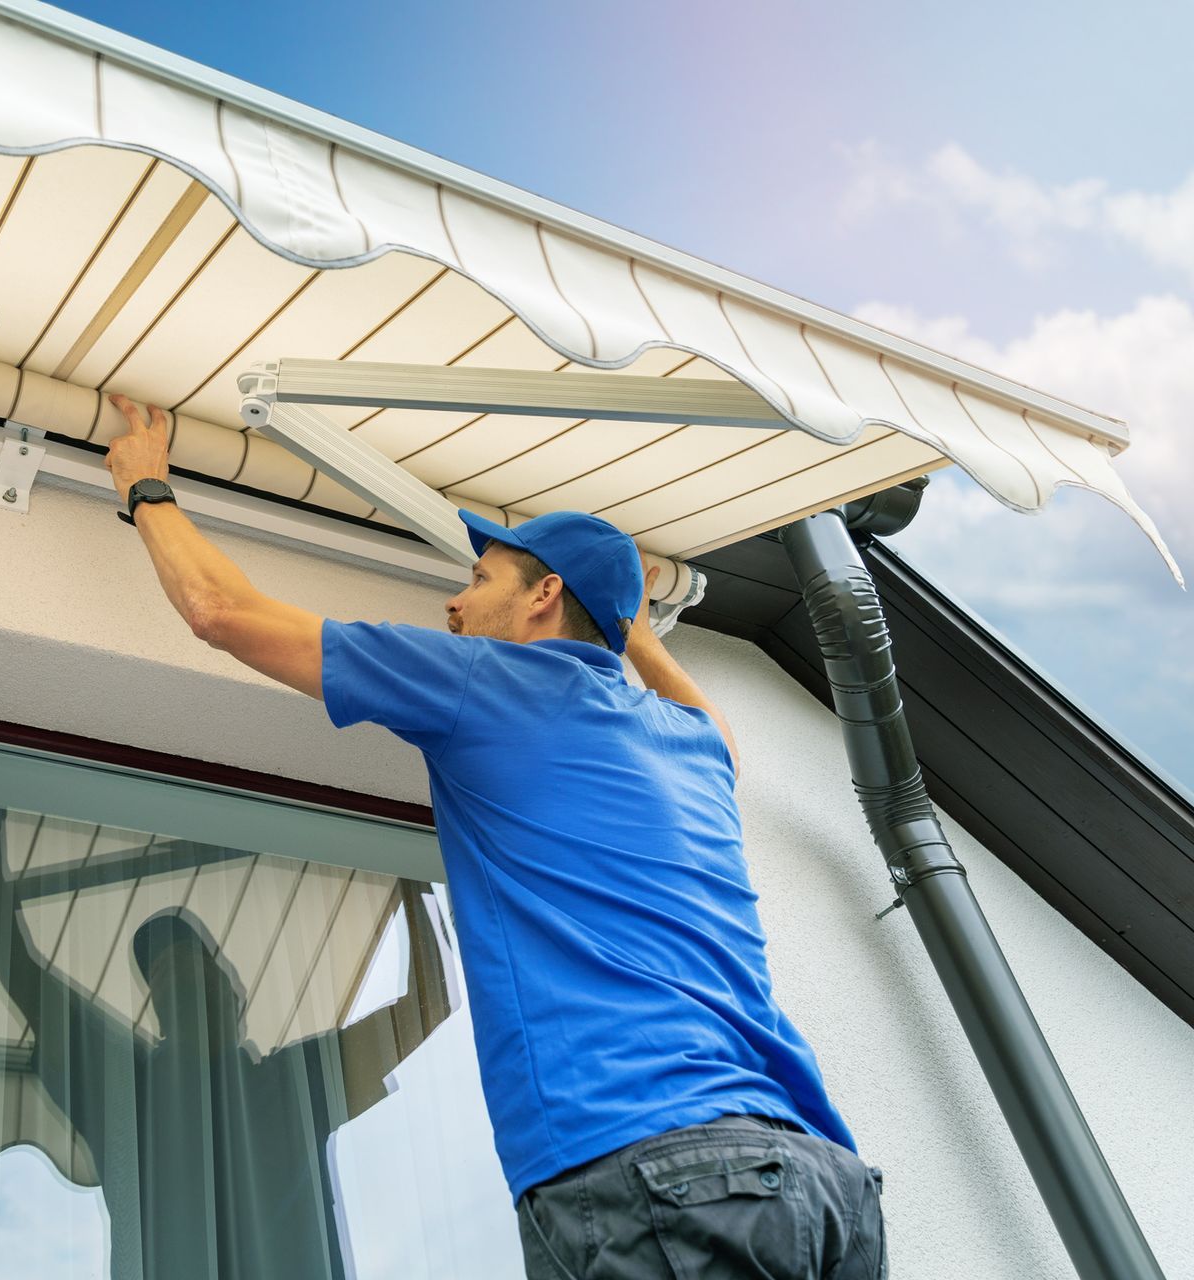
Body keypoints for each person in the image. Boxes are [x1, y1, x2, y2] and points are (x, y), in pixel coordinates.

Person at [100, 395, 887, 1280]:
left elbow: (220, 612)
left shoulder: (491, 682)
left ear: (544, 596)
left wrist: (148, 486)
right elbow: (707, 718)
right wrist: (628, 627)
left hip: (652, 1167)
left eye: (480, 580)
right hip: (826, 1186)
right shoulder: (693, 749)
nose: (454, 599)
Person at [0, 803, 399, 1279]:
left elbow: (421, 1013)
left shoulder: (290, 1082)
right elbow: (11, 957)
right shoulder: (127, 1088)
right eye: (161, 974)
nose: (169, 975)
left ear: (232, 998)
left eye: (186, 964)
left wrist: (419, 866)